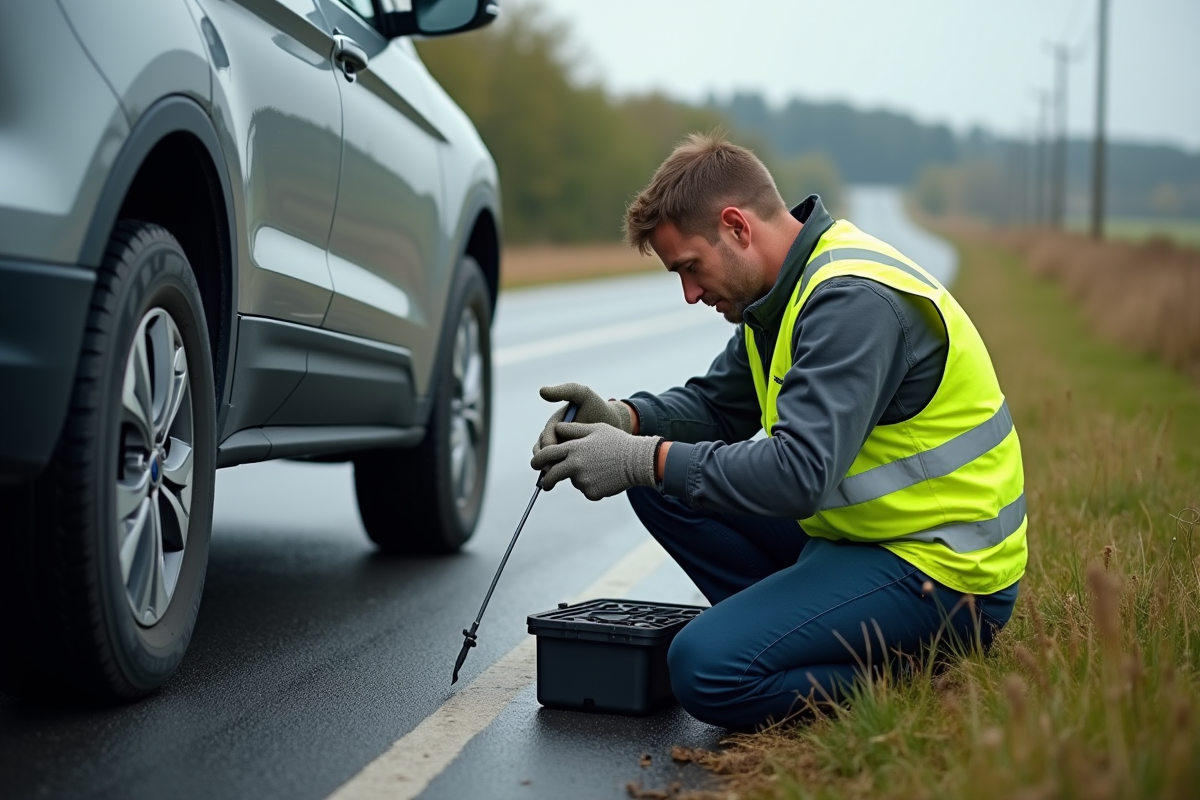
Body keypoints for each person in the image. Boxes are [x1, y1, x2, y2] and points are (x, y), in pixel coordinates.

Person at [529, 132, 1026, 731]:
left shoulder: (850, 301)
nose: (689, 293)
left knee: (705, 669)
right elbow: (717, 404)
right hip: (863, 541)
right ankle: (792, 631)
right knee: (659, 481)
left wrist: (642, 457)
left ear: (736, 226)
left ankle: (915, 669)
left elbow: (798, 475)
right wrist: (624, 421)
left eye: (690, 267)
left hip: (943, 573)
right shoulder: (782, 291)